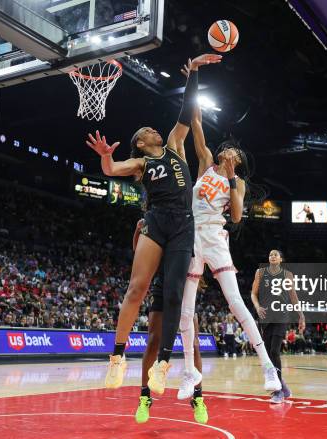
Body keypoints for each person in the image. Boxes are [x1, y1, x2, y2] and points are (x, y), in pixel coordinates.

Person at [86, 53, 222, 393]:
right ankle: (117, 357)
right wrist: (106, 156)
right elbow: (110, 170)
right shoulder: (140, 162)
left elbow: (186, 110)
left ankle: (162, 364)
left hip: (183, 223)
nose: (152, 128)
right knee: (136, 287)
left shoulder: (176, 144)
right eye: (146, 130)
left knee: (174, 294)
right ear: (142, 143)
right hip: (157, 220)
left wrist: (192, 74)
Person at [176, 78, 282, 400]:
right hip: (192, 234)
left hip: (216, 238)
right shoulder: (206, 162)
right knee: (185, 309)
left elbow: (236, 216)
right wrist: (192, 82)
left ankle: (267, 366)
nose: (230, 151)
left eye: (235, 153)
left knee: (236, 303)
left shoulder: (238, 185)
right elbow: (195, 122)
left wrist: (235, 177)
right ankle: (189, 372)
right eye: (229, 149)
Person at [131, 220, 208, 424]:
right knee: (154, 340)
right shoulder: (157, 220)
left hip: (185, 289)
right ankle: (145, 397)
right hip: (162, 284)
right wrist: (138, 231)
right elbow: (140, 253)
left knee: (193, 345)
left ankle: (198, 398)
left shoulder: (189, 221)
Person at [251, 249, 305, 403]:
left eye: (275, 254)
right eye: (270, 254)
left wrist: (301, 315)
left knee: (275, 351)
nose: (272, 256)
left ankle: (278, 391)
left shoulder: (287, 275)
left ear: (281, 259)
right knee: (268, 354)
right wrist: (257, 307)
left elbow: (293, 296)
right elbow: (253, 293)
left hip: (281, 315)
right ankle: (282, 386)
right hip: (265, 317)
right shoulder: (260, 273)